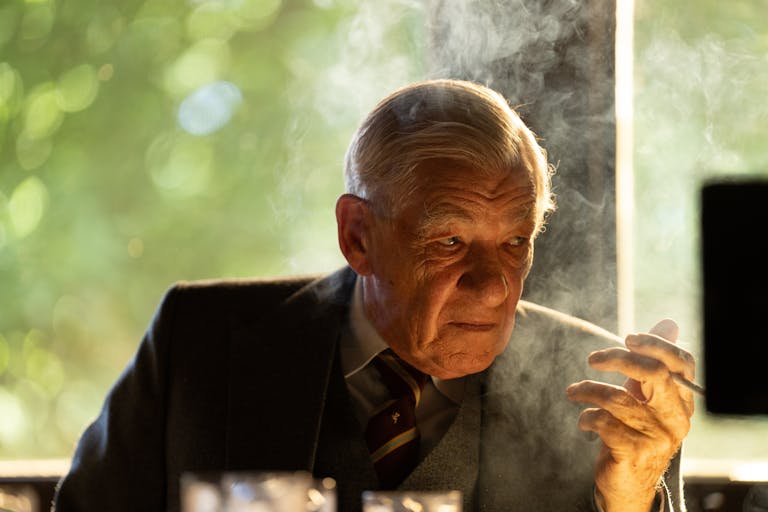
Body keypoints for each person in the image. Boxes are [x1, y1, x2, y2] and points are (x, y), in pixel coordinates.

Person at [53, 79, 695, 511]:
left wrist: (631, 498)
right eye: (450, 242)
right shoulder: (200, 340)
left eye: (516, 243)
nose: (494, 284)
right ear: (357, 236)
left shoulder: (608, 396)